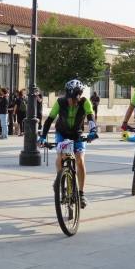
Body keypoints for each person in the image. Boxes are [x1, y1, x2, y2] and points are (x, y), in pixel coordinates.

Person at [38, 79, 98, 208]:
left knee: (80, 160)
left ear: (79, 96)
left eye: (74, 98)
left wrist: (93, 130)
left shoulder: (85, 102)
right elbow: (49, 120)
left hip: (77, 134)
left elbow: (90, 116)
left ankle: (81, 193)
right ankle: (60, 179)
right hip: (62, 132)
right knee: (61, 156)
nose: (71, 101)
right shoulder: (60, 102)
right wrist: (43, 137)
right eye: (69, 98)